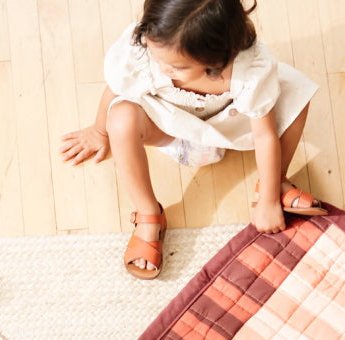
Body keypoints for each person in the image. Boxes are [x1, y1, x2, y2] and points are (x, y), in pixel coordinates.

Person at [59, 0, 326, 280]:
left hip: (230, 130)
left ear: (218, 60)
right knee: (121, 116)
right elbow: (114, 90)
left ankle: (275, 182)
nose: (163, 69)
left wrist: (269, 200)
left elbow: (264, 134)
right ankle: (149, 213)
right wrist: (99, 131)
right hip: (169, 130)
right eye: (155, 55)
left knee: (297, 92)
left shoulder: (251, 69)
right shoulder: (143, 52)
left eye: (176, 67)